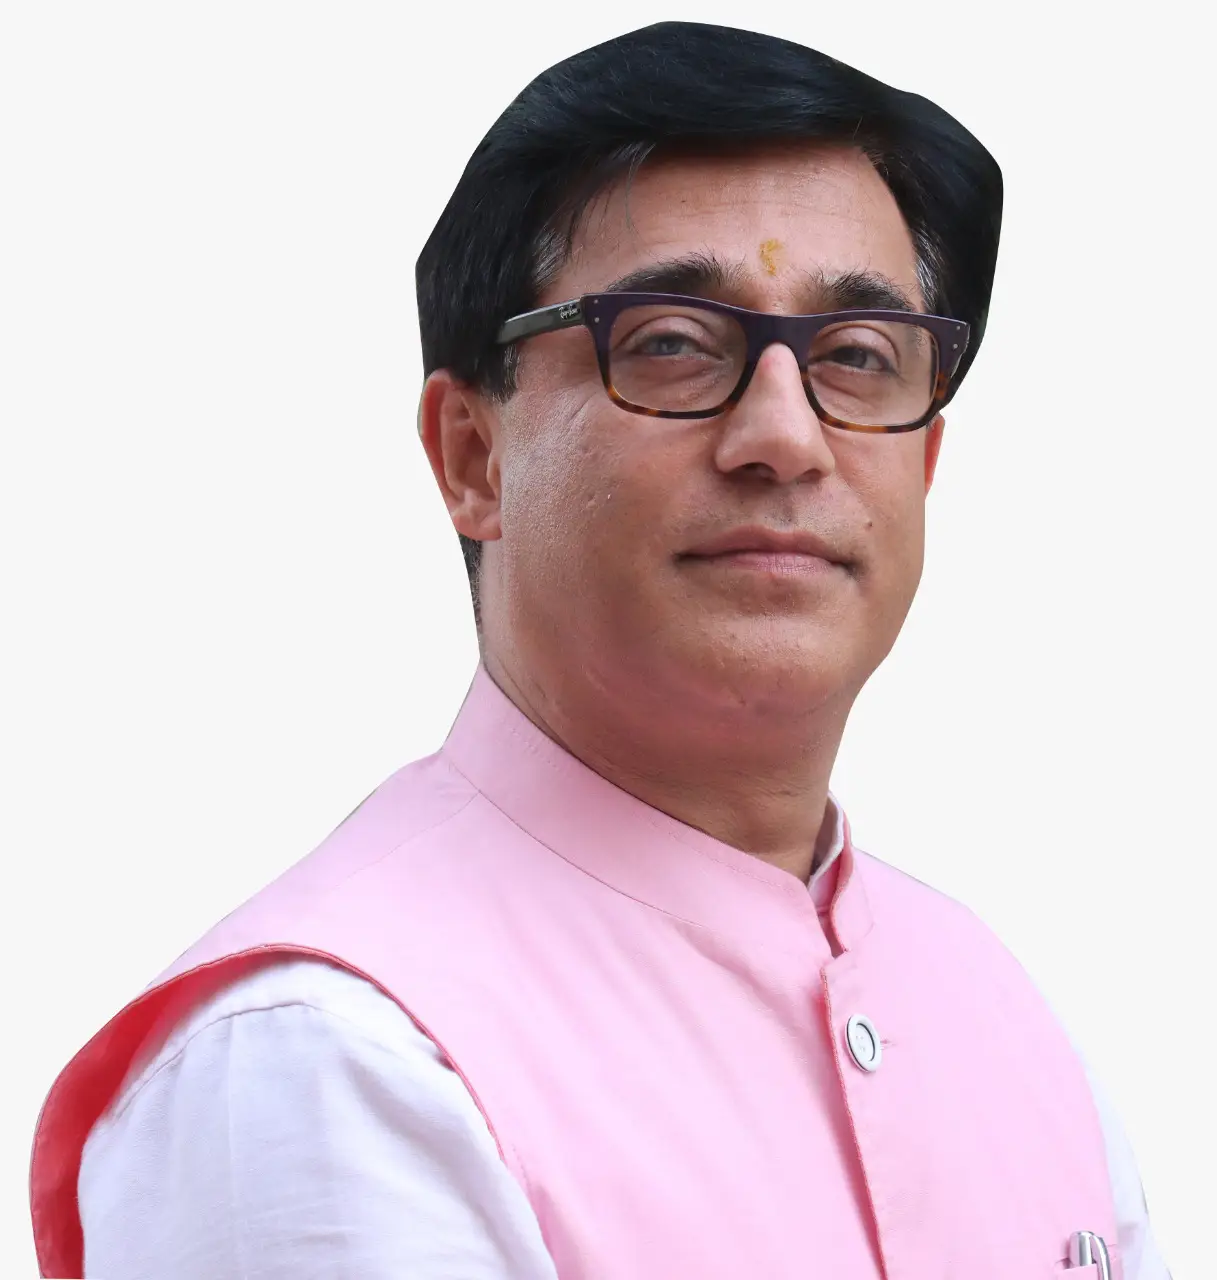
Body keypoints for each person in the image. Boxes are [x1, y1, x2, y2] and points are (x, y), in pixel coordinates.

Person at [30, 20, 1170, 1280]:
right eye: (671, 342)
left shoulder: (1006, 1021)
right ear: (473, 456)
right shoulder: (327, 1059)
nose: (785, 437)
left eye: (856, 358)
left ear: (925, 459)